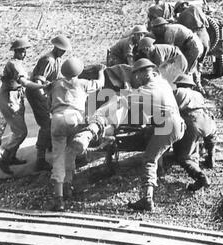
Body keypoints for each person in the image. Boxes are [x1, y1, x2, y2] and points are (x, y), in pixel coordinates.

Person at [71, 58, 185, 211]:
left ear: (142, 75)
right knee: (151, 139)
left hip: (168, 125)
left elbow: (122, 101)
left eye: (136, 75)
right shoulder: (162, 83)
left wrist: (101, 113)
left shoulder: (146, 91)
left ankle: (147, 199)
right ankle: (160, 170)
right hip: (174, 123)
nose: (135, 78)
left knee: (149, 159)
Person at [48, 57, 106, 211]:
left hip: (58, 118)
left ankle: (58, 199)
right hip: (74, 118)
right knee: (71, 151)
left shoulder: (56, 83)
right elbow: (101, 83)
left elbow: (45, 96)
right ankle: (68, 185)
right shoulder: (83, 83)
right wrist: (101, 71)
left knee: (58, 156)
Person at [0, 38, 50, 175]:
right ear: (15, 51)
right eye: (21, 51)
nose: (24, 53)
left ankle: (11, 157)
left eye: (25, 51)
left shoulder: (18, 63)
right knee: (21, 132)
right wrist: (42, 86)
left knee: (18, 131)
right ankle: (3, 160)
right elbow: (24, 82)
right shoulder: (14, 65)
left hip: (15, 98)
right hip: (9, 99)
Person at [26, 35, 72, 171]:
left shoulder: (57, 59)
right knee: (47, 124)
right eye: (62, 50)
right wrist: (44, 99)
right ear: (56, 48)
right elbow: (38, 82)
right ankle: (40, 159)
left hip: (46, 93)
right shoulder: (49, 60)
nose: (64, 52)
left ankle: (49, 143)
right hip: (36, 94)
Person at [172, 74, 217, 191]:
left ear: (178, 84)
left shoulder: (177, 92)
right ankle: (211, 157)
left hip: (192, 122)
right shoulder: (198, 94)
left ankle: (200, 177)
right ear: (191, 86)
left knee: (184, 157)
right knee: (211, 137)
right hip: (207, 120)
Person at [151, 17, 206, 95]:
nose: (156, 32)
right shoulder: (172, 27)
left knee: (186, 70)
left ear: (161, 27)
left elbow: (169, 50)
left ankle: (188, 92)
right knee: (192, 68)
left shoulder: (169, 32)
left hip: (192, 46)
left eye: (156, 29)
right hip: (194, 44)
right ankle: (198, 87)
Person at [175, 1, 210, 88]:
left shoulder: (182, 16)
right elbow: (207, 23)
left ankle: (195, 84)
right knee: (200, 62)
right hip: (205, 36)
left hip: (194, 37)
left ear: (180, 7)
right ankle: (199, 77)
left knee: (191, 62)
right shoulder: (197, 8)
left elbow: (181, 30)